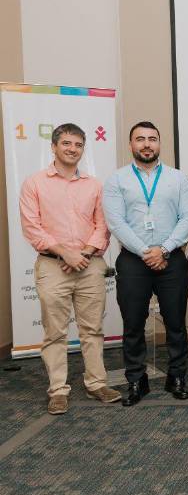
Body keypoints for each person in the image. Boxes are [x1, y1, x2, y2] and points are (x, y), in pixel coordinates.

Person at [19, 123, 120, 415]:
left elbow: (103, 225)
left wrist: (83, 254)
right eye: (66, 143)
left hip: (89, 265)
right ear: (53, 147)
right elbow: (32, 228)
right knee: (55, 332)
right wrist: (65, 253)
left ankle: (96, 383)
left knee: (92, 329)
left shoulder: (94, 185)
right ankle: (58, 390)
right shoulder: (34, 183)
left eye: (78, 145)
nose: (72, 149)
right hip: (53, 266)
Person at [103, 121, 188, 406]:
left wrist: (164, 249)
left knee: (176, 323)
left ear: (159, 143)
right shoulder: (116, 180)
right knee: (133, 324)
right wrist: (146, 251)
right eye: (140, 139)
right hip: (133, 261)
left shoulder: (179, 179)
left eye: (152, 139)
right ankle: (136, 379)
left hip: (172, 259)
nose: (147, 144)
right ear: (131, 144)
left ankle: (177, 376)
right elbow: (116, 222)